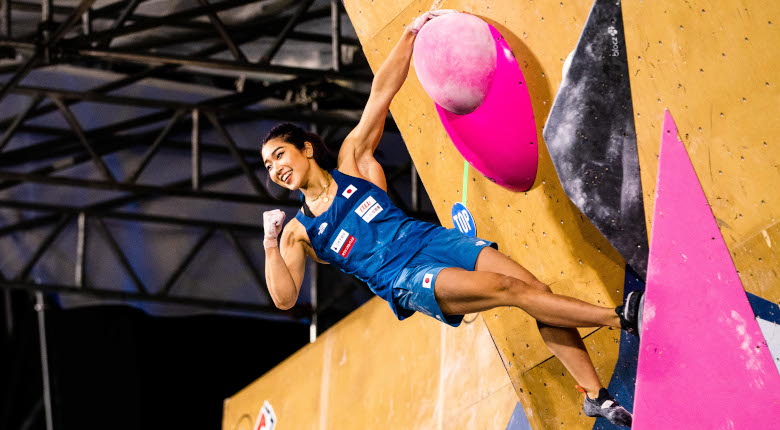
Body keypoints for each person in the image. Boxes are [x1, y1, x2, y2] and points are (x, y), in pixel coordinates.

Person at [261, 9, 642, 427]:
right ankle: (622, 317)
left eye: (280, 154)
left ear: (306, 150)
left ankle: (595, 395)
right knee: (508, 288)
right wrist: (270, 243)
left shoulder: (353, 162)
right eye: (267, 165)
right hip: (404, 278)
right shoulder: (299, 232)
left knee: (534, 288)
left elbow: (380, 94)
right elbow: (284, 298)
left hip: (428, 239)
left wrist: (410, 33)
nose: (275, 167)